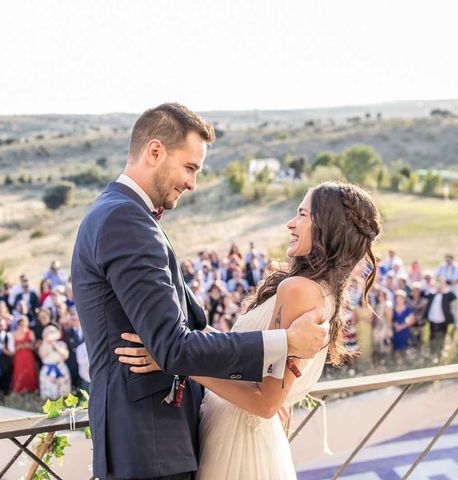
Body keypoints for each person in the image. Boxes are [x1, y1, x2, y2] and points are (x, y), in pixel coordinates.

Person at [71, 103, 329, 480]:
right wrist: (283, 342)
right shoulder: (126, 220)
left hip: (157, 443)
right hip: (149, 446)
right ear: (155, 151)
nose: (192, 183)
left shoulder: (124, 215)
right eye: (190, 168)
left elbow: (189, 328)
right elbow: (174, 347)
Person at [119, 181, 382, 479]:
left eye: (303, 215)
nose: (291, 223)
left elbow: (265, 402)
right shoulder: (321, 291)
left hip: (239, 445)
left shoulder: (298, 290)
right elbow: (248, 356)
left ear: (327, 227)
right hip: (239, 433)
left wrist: (177, 361)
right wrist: (177, 345)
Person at [424, 276, 457, 355]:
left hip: (443, 320)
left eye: (442, 283)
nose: (440, 285)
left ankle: (440, 352)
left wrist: (454, 320)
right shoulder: (432, 293)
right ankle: (432, 352)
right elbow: (425, 295)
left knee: (442, 336)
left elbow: (454, 306)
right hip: (432, 319)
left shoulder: (448, 294)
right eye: (438, 283)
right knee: (432, 335)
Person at [38, 325, 72, 400]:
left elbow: (65, 355)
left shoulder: (61, 344)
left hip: (60, 368)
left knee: (63, 393)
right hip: (48, 371)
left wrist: (55, 345)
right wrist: (46, 342)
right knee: (49, 394)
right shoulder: (43, 345)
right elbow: (43, 356)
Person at [12, 316, 38, 394]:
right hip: (18, 357)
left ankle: (31, 391)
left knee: (30, 372)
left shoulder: (30, 332)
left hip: (28, 356)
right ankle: (19, 391)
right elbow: (12, 349)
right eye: (20, 323)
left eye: (24, 323)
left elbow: (34, 347)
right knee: (19, 372)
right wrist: (19, 347)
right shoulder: (14, 333)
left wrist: (27, 345)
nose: (22, 325)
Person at [0, 317, 15, 396]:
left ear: (5, 326)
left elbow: (12, 353)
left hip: (6, 364)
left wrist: (3, 349)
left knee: (6, 383)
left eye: (1, 325)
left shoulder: (9, 336)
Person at [371, 289, 393, 356]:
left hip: (385, 327)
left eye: (382, 295)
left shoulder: (388, 305)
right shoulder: (377, 305)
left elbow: (389, 319)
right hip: (377, 327)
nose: (380, 297)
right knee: (376, 345)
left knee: (385, 345)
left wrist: (389, 330)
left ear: (385, 296)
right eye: (379, 295)